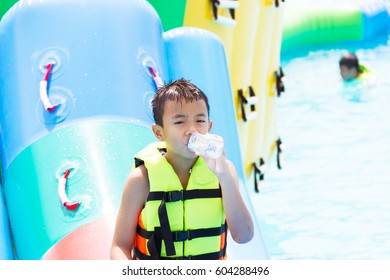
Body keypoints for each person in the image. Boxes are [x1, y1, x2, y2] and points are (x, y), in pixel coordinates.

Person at [110, 78, 254, 260]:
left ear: (209, 127)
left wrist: (225, 178)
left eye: (200, 121)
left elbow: (244, 236)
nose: (192, 130)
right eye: (180, 122)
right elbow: (119, 246)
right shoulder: (141, 180)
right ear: (159, 133)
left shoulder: (225, 172)